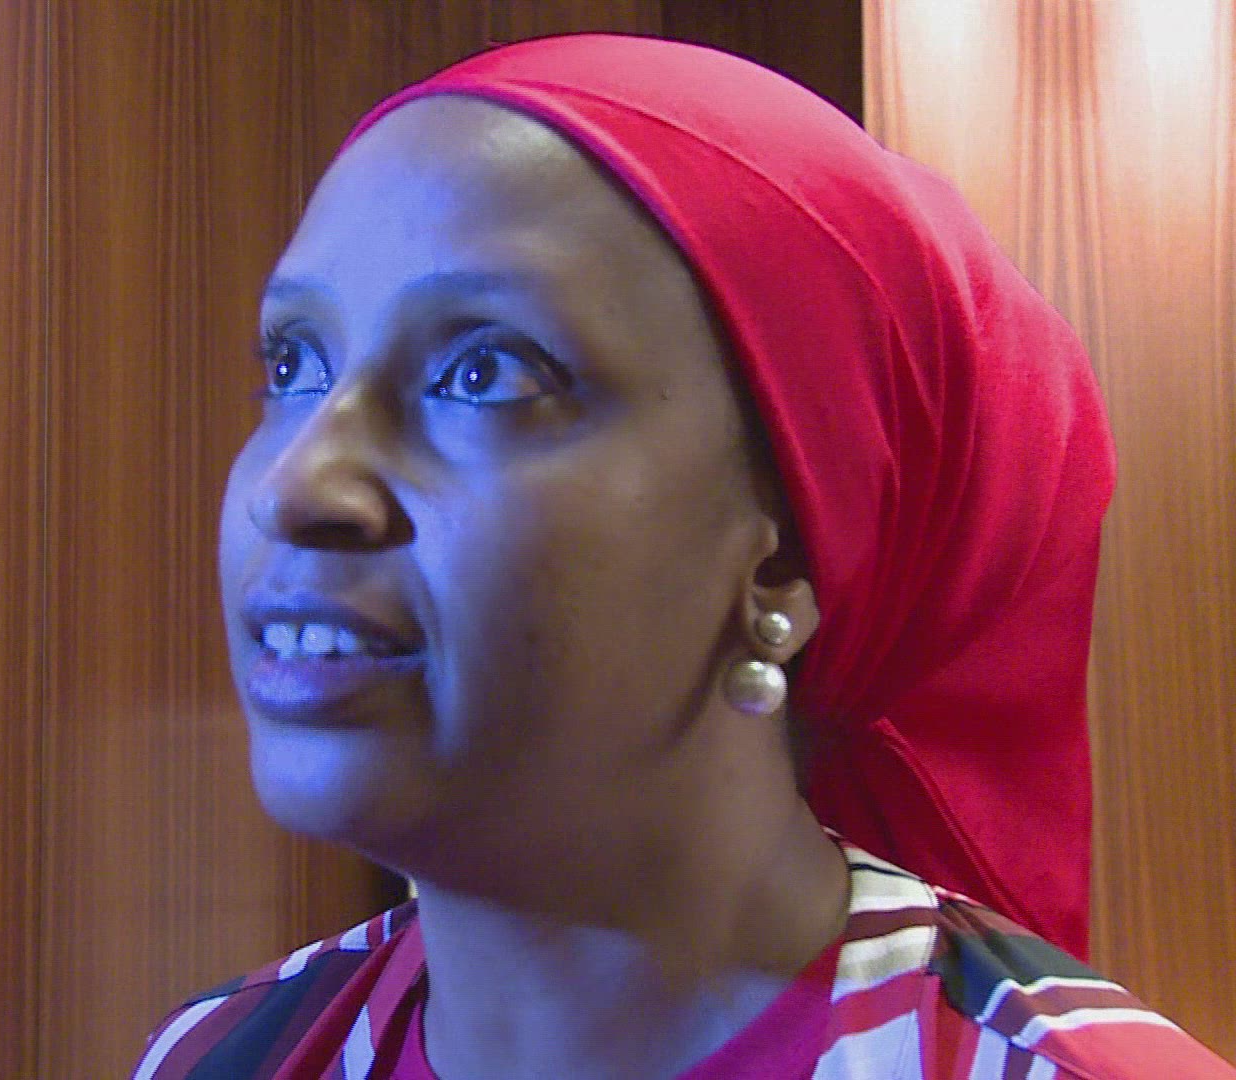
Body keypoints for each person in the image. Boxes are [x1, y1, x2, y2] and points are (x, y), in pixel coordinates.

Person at [133, 34, 1236, 1080]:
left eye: (486, 374)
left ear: (785, 564)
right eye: (294, 365)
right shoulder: (222, 1055)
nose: (297, 485)